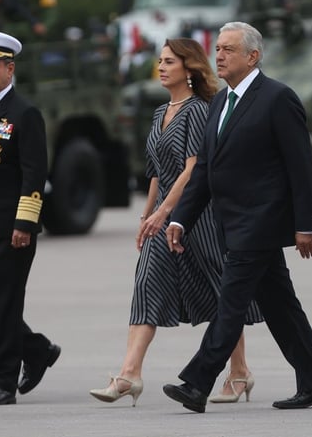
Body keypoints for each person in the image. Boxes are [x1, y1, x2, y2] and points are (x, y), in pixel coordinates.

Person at [162, 22, 312, 413]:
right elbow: (205, 170)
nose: (218, 56)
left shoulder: (278, 98)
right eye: (217, 48)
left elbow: (300, 167)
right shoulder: (220, 103)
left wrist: (306, 224)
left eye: (227, 49)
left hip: (262, 223)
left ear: (252, 56)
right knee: (281, 307)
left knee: (231, 302)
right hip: (232, 222)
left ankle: (196, 382)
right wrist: (179, 220)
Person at [89, 38, 263, 407]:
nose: (161, 67)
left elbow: (192, 170)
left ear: (189, 68)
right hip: (162, 219)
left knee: (221, 294)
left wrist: (165, 213)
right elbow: (155, 173)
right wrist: (147, 216)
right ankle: (129, 375)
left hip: (197, 216)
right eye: (160, 61)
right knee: (147, 287)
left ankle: (240, 372)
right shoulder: (158, 113)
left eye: (169, 61)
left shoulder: (200, 110)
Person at [0, 30, 61, 406]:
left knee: (6, 303)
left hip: (11, 227)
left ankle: (1, 381)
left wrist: (25, 223)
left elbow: (35, 173)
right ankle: (35, 348)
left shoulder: (24, 112)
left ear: (9, 68)